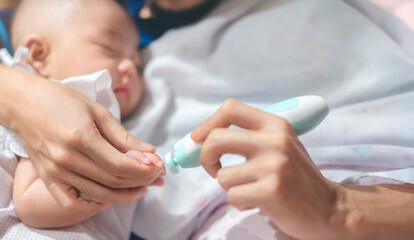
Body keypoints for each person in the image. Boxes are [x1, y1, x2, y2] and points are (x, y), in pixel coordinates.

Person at [2, 0, 414, 239]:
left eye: (133, 60)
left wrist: (340, 209)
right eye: (112, 51)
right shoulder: (94, 25)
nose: (129, 69)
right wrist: (23, 96)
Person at [0, 0, 164, 237]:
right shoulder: (67, 98)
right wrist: (99, 185)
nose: (129, 66)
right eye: (109, 49)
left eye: (138, 65)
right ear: (39, 55)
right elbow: (28, 201)